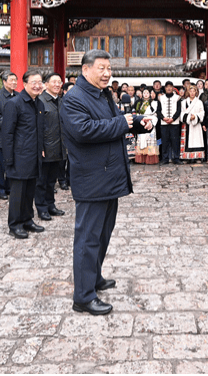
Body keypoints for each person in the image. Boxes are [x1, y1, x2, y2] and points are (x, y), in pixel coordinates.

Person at [60, 49, 153, 316]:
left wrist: (136, 122)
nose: (107, 73)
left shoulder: (103, 95)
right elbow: (84, 131)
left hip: (109, 176)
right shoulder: (74, 99)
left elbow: (114, 122)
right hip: (91, 179)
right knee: (87, 238)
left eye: (109, 68)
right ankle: (83, 296)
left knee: (102, 234)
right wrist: (123, 123)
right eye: (101, 68)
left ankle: (94, 277)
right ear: (85, 70)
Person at [4, 70, 46, 240]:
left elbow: (40, 131)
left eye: (40, 82)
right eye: (34, 82)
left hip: (34, 155)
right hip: (19, 157)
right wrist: (8, 159)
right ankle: (15, 225)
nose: (37, 85)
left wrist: (41, 149)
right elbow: (7, 133)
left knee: (30, 191)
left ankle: (27, 220)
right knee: (18, 193)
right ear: (25, 84)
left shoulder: (39, 104)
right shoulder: (14, 104)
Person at [35, 73, 67, 222]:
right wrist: (39, 146)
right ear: (45, 84)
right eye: (53, 82)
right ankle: (41, 208)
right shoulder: (40, 101)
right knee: (42, 181)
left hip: (58, 147)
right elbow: (37, 127)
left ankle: (51, 205)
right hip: (45, 148)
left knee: (51, 180)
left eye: (59, 82)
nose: (57, 84)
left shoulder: (61, 101)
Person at [0, 72, 17, 201]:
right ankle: (0, 190)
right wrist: (10, 128)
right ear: (4, 82)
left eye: (15, 81)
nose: (14, 83)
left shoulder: (18, 96)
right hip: (1, 138)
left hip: (15, 138)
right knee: (0, 166)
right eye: (11, 80)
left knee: (12, 164)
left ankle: (10, 187)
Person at [134, 89, 161, 165]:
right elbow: (137, 113)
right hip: (141, 121)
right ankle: (142, 158)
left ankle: (150, 158)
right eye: (144, 93)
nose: (146, 94)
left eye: (147, 93)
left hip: (150, 121)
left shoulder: (153, 103)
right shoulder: (139, 103)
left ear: (150, 94)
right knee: (141, 139)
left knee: (150, 140)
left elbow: (154, 113)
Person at [158, 82, 182, 165]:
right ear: (165, 88)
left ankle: (176, 158)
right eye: (167, 87)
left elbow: (179, 110)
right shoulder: (161, 98)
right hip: (164, 123)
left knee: (175, 141)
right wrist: (163, 118)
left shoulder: (178, 98)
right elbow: (158, 111)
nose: (168, 88)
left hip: (174, 123)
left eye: (170, 87)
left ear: (173, 88)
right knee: (165, 141)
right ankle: (165, 158)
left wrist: (173, 119)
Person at [180, 85, 205, 163]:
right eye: (190, 91)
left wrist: (195, 117)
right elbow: (181, 113)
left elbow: (202, 112)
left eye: (194, 91)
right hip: (187, 124)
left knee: (197, 140)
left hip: (196, 124)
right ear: (188, 92)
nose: (192, 93)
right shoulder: (184, 102)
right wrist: (188, 117)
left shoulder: (199, 102)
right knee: (187, 141)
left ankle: (198, 157)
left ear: (196, 92)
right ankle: (186, 157)